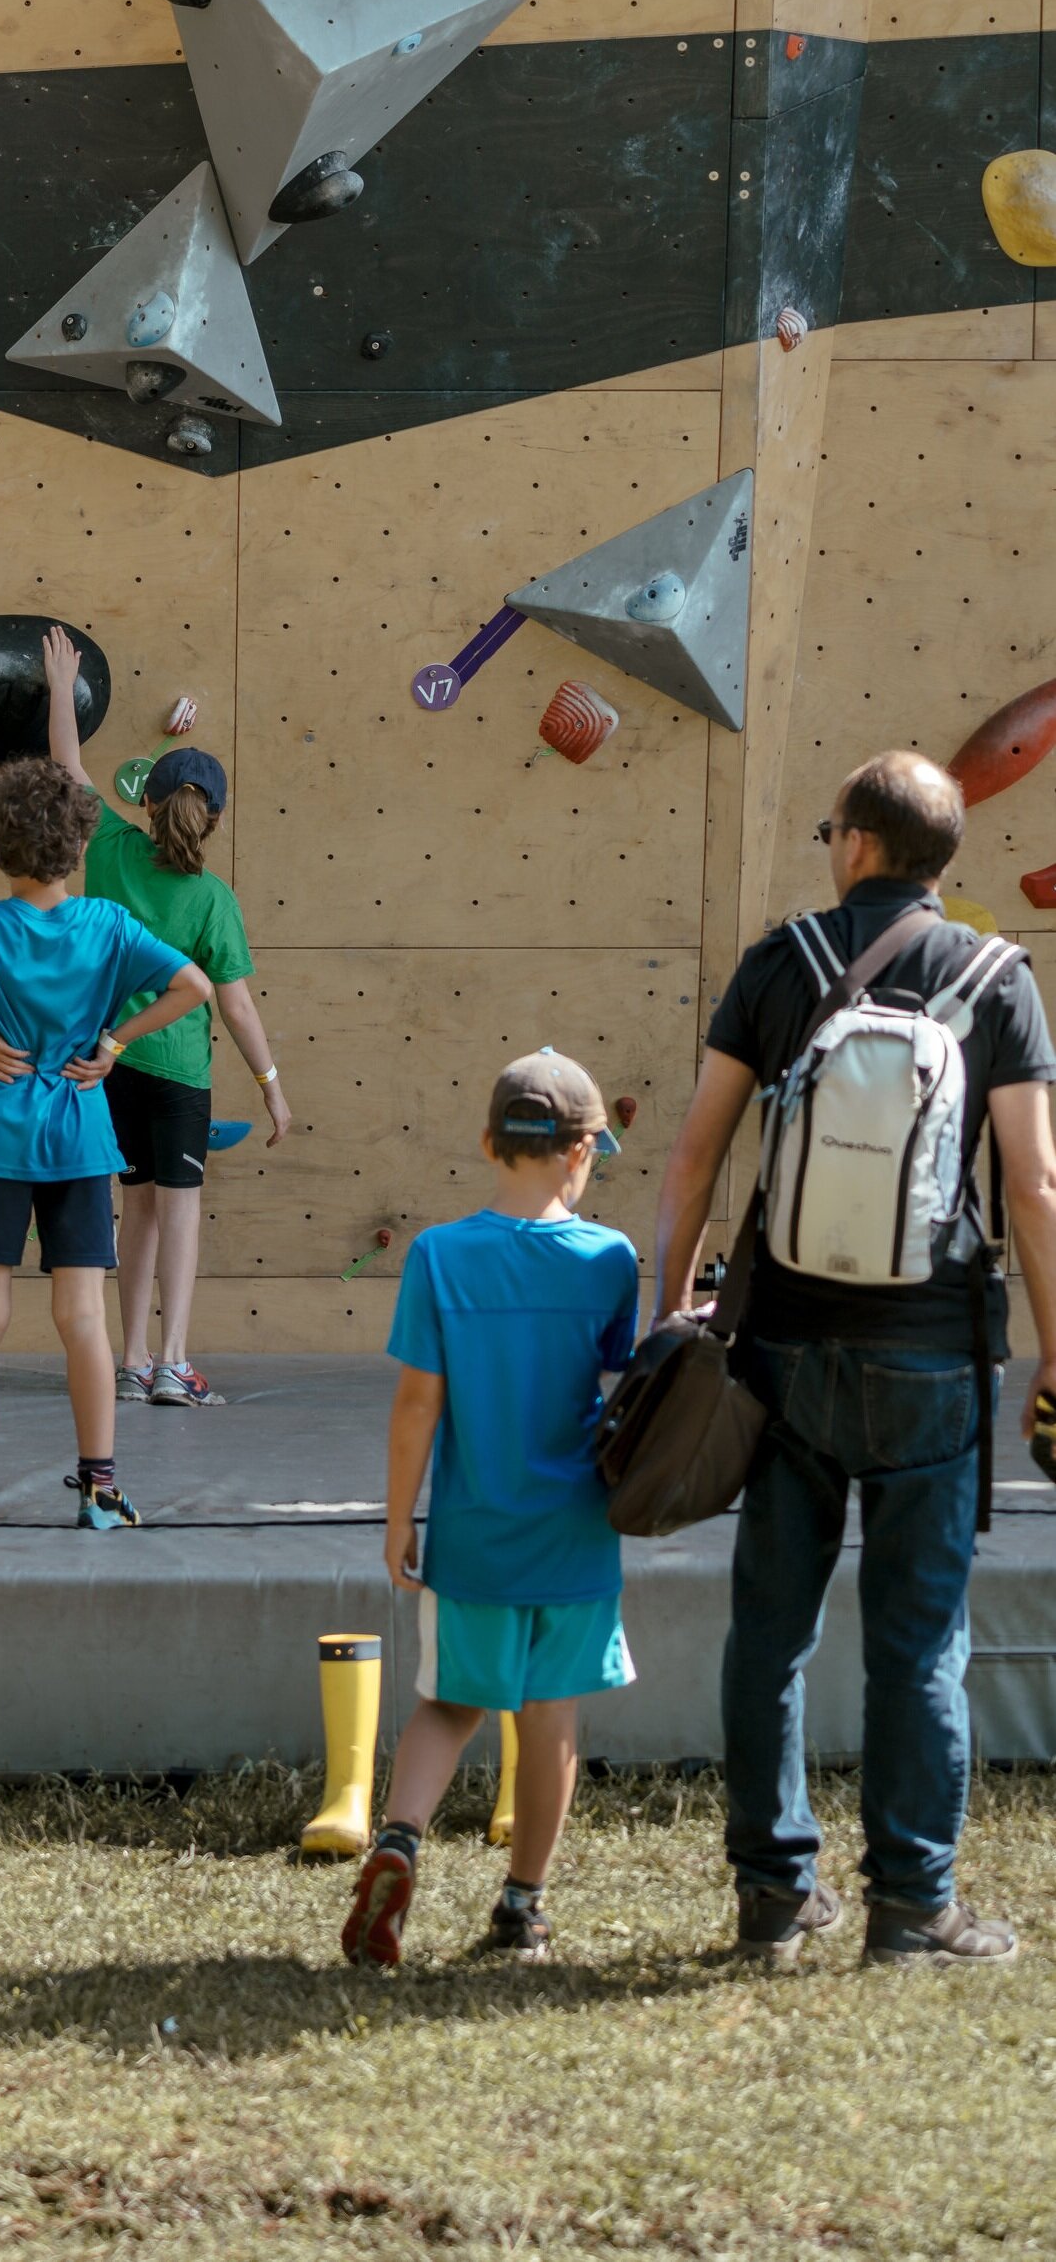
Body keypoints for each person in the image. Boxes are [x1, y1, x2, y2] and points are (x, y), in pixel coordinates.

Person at [654, 747, 1056, 1969]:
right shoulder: (997, 979)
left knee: (767, 1630)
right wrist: (1051, 1349)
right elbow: (1032, 1183)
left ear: (858, 848)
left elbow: (694, 1159)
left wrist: (669, 1315)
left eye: (830, 828)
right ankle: (910, 1908)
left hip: (778, 1350)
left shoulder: (781, 964)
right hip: (933, 1357)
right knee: (919, 1637)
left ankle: (773, 1901)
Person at [343, 1051, 639, 1970]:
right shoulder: (610, 1259)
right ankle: (522, 1908)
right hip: (576, 1535)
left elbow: (416, 1407)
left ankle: (397, 1842)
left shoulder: (439, 1254)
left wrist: (399, 1520)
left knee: (448, 1703)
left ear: (487, 1142)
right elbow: (628, 1396)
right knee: (550, 1719)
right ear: (584, 1151)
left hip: (473, 1533)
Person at [0, 754, 213, 1531]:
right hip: (80, 1138)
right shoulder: (107, 926)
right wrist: (114, 1042)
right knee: (83, 1318)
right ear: (79, 851)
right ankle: (101, 1490)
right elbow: (195, 987)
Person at [40, 627, 288, 1408]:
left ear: (146, 802)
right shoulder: (214, 899)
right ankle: (176, 1362)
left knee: (135, 1206)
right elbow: (236, 1004)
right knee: (178, 1212)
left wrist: (60, 688)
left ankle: (134, 1358)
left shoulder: (109, 848)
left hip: (109, 1067)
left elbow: (68, 767)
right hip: (176, 1069)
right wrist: (272, 1086)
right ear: (211, 819)